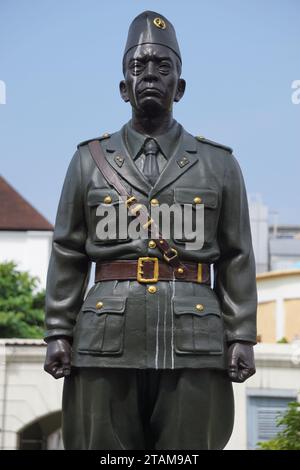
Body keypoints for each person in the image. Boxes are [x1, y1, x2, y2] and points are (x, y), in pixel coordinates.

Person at [44, 10, 257, 450]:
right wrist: (58, 332)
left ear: (179, 85)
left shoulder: (219, 164)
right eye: (138, 66)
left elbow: (237, 255)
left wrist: (241, 336)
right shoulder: (87, 160)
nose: (150, 75)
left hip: (195, 342)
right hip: (104, 338)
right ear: (124, 86)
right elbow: (68, 250)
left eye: (164, 66)